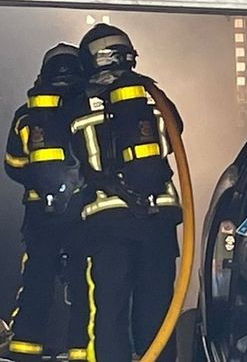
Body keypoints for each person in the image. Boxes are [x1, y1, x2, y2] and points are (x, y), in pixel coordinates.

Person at [72, 24, 183, 362]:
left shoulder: (80, 101)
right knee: (158, 311)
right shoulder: (152, 95)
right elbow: (176, 130)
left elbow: (68, 154)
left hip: (109, 221)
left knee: (110, 311)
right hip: (159, 219)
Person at [4, 43, 93, 361]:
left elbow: (13, 165)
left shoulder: (27, 114)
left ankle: (24, 349)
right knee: (84, 284)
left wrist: (41, 184)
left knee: (37, 280)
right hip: (82, 213)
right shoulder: (90, 108)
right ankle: (81, 351)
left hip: (40, 215)